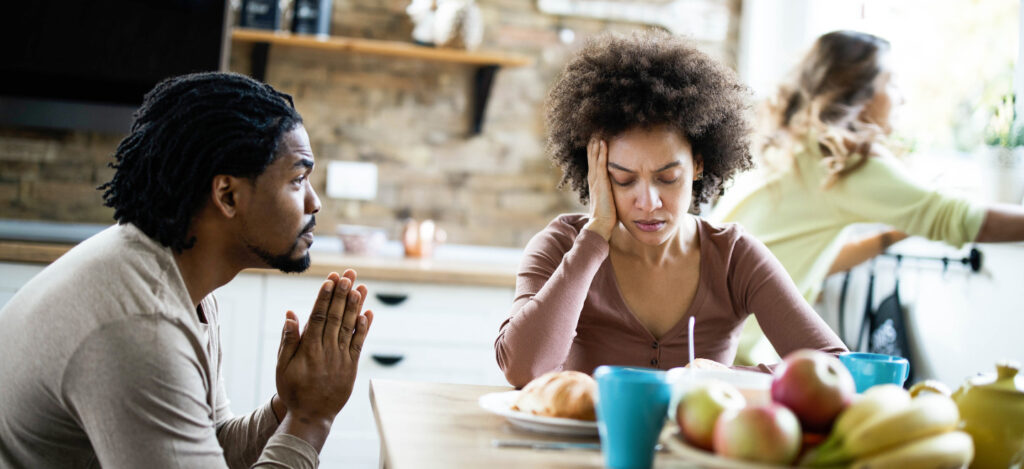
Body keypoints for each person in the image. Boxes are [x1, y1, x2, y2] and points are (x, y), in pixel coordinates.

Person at [0, 72, 374, 468]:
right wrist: (312, 419)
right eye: (298, 179)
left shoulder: (173, 275)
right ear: (227, 195)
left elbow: (209, 445)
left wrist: (288, 408)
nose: (314, 203)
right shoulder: (142, 325)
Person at [493, 31, 848, 388]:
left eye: (667, 178)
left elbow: (836, 368)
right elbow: (524, 369)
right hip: (583, 444)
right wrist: (595, 236)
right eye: (624, 179)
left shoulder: (734, 258)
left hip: (696, 444)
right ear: (596, 173)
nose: (648, 203)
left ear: (697, 165)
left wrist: (728, 378)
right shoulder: (560, 245)